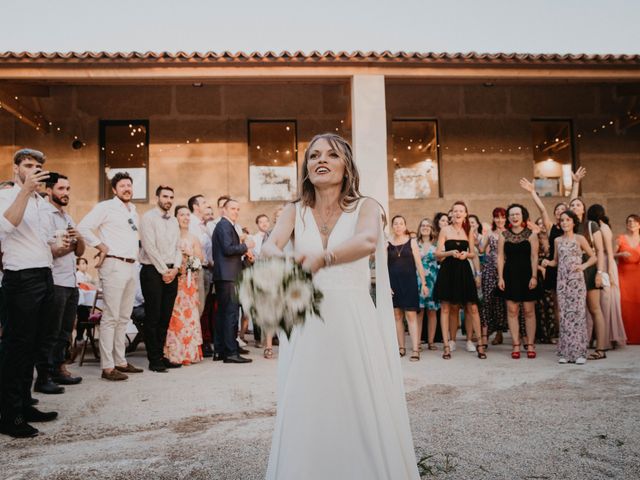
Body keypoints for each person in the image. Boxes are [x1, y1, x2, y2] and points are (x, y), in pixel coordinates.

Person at [262, 133, 419, 479]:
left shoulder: (367, 207)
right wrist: (285, 261)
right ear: (306, 167)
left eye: (332, 155)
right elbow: (270, 246)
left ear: (346, 166)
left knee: (356, 394)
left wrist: (325, 257)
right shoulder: (294, 211)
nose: (321, 160)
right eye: (314, 155)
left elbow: (366, 240)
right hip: (308, 316)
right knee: (308, 396)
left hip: (351, 314)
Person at [0, 149, 58, 438]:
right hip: (20, 277)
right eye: (28, 165)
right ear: (16, 168)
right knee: (16, 347)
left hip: (44, 274)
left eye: (37, 166)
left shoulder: (40, 202)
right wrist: (24, 190)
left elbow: (45, 241)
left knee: (36, 345)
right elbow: (5, 225)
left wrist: (62, 244)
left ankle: (24, 404)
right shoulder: (7, 195)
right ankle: (8, 415)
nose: (33, 169)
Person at [77, 172, 143, 381]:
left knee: (124, 317)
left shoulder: (134, 210)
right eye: (122, 185)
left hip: (132, 265)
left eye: (129, 185)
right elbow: (83, 227)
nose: (127, 188)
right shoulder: (106, 207)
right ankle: (107, 367)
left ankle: (120, 361)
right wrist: (101, 246)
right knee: (111, 317)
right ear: (114, 190)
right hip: (113, 263)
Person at [38, 174, 85, 390]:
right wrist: (72, 245)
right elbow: (53, 251)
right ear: (49, 190)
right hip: (55, 281)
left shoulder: (67, 217)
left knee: (66, 331)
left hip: (71, 282)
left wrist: (80, 240)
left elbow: (80, 250)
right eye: (61, 188)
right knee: (51, 332)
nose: (66, 193)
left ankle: (59, 369)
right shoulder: (45, 215)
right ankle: (43, 377)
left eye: (68, 188)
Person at [433, 201, 486, 360]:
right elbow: (437, 253)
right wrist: (449, 253)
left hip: (464, 271)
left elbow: (473, 253)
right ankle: (447, 346)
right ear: (451, 214)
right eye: (455, 211)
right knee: (446, 308)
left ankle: (481, 344)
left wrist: (465, 255)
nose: (457, 213)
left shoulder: (468, 230)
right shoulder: (444, 230)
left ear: (465, 214)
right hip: (448, 271)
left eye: (461, 211)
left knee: (473, 307)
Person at [542, 210, 596, 364]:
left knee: (578, 315)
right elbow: (555, 261)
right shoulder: (557, 240)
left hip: (577, 281)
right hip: (562, 281)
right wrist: (547, 263)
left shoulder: (580, 238)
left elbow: (593, 256)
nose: (564, 222)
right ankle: (566, 352)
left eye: (567, 220)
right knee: (564, 315)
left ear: (573, 222)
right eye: (562, 220)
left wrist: (583, 265)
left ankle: (579, 353)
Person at [139, 186, 183, 372]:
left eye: (171, 197)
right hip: (152, 271)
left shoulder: (173, 220)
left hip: (171, 272)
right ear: (157, 197)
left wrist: (175, 269)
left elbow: (178, 247)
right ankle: (153, 359)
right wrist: (165, 270)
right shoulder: (148, 218)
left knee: (165, 316)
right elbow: (149, 247)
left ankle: (161, 354)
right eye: (165, 196)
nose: (168, 200)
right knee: (153, 316)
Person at [212, 199, 254, 364]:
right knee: (230, 314)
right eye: (232, 208)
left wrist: (246, 258)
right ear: (224, 210)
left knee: (224, 314)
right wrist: (246, 245)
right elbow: (228, 249)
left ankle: (221, 350)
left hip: (227, 275)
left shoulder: (227, 226)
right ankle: (230, 353)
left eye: (238, 209)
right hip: (228, 276)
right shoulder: (224, 225)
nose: (236, 211)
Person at [497, 204, 540, 359]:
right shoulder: (504, 235)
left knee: (529, 311)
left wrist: (534, 276)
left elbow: (534, 257)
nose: (514, 217)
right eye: (512, 215)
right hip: (509, 275)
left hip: (527, 275)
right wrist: (500, 277)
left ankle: (530, 344)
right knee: (512, 310)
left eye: (517, 214)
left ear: (523, 216)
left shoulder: (531, 235)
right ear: (508, 217)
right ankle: (516, 344)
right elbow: (500, 257)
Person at [163, 206, 204, 365]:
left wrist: (190, 254)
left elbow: (199, 263)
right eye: (182, 215)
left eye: (188, 215)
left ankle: (188, 353)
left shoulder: (194, 238)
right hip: (173, 280)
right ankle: (173, 353)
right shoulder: (171, 236)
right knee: (173, 316)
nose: (186, 217)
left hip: (188, 283)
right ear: (176, 217)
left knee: (189, 316)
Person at [569, 197, 607, 360]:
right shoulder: (569, 226)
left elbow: (600, 251)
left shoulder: (591, 225)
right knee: (576, 311)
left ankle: (601, 349)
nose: (575, 207)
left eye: (578, 205)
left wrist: (599, 273)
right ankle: (577, 347)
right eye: (572, 205)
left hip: (590, 268)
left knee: (594, 309)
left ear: (583, 209)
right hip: (573, 269)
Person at [388, 215, 427, 361]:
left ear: (405, 226)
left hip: (409, 282)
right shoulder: (387, 244)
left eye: (401, 223)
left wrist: (423, 283)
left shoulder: (412, 242)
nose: (398, 226)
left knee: (411, 315)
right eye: (395, 224)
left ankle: (416, 349)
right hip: (393, 284)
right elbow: (383, 267)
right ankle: (401, 348)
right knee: (397, 316)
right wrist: (387, 285)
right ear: (393, 226)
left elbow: (418, 264)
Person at [587, 204, 626, 348]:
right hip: (598, 264)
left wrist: (609, 272)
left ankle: (607, 340)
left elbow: (609, 252)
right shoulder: (595, 227)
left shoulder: (604, 228)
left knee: (607, 302)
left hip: (606, 265)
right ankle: (596, 338)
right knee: (599, 303)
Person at [479, 208, 507, 345]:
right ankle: (484, 335)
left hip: (507, 270)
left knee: (502, 302)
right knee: (487, 301)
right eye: (497, 217)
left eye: (502, 217)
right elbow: (481, 249)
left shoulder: (510, 233)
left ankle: (500, 333)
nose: (500, 220)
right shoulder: (490, 233)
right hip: (490, 269)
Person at [615, 214, 640, 344]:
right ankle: (626, 338)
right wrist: (620, 254)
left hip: (638, 276)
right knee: (624, 306)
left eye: (635, 222)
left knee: (638, 305)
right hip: (623, 275)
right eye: (629, 221)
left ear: (639, 225)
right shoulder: (621, 238)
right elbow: (611, 253)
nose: (632, 224)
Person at [187, 194, 212, 317]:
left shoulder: (204, 225)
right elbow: (191, 248)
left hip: (206, 268)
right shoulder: (191, 223)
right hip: (197, 268)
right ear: (195, 207)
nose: (207, 205)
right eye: (204, 203)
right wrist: (194, 272)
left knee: (202, 306)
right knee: (196, 304)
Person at [417, 218, 439, 350]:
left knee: (432, 311)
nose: (425, 227)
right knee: (419, 311)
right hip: (418, 280)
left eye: (428, 226)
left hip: (433, 280)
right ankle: (418, 341)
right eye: (423, 225)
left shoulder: (437, 245)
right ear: (419, 228)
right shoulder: (414, 243)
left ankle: (431, 341)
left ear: (432, 229)